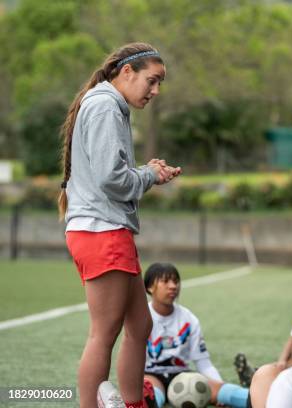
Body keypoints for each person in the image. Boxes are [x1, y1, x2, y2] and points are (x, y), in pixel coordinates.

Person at [59, 43, 181, 408]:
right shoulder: (104, 106)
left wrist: (149, 173)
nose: (156, 91)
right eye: (152, 80)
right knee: (104, 333)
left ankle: (132, 403)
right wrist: (147, 176)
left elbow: (111, 175)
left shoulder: (109, 105)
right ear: (126, 72)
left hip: (109, 230)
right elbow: (112, 180)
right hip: (101, 232)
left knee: (139, 327)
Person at [143, 263, 249, 408]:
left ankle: (255, 396)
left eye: (176, 281)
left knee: (223, 391)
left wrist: (218, 385)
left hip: (182, 376)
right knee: (151, 395)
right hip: (151, 374)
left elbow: (203, 362)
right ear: (149, 287)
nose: (173, 286)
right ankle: (153, 399)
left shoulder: (189, 319)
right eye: (165, 281)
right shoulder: (141, 317)